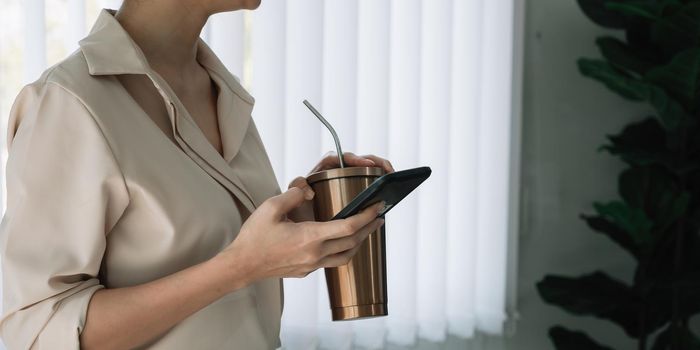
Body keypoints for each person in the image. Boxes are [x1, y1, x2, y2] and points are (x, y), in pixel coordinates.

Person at [0, 0, 394, 349]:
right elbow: (38, 331)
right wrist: (240, 267)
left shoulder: (219, 88)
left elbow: (213, 243)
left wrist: (301, 213)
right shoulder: (68, 104)